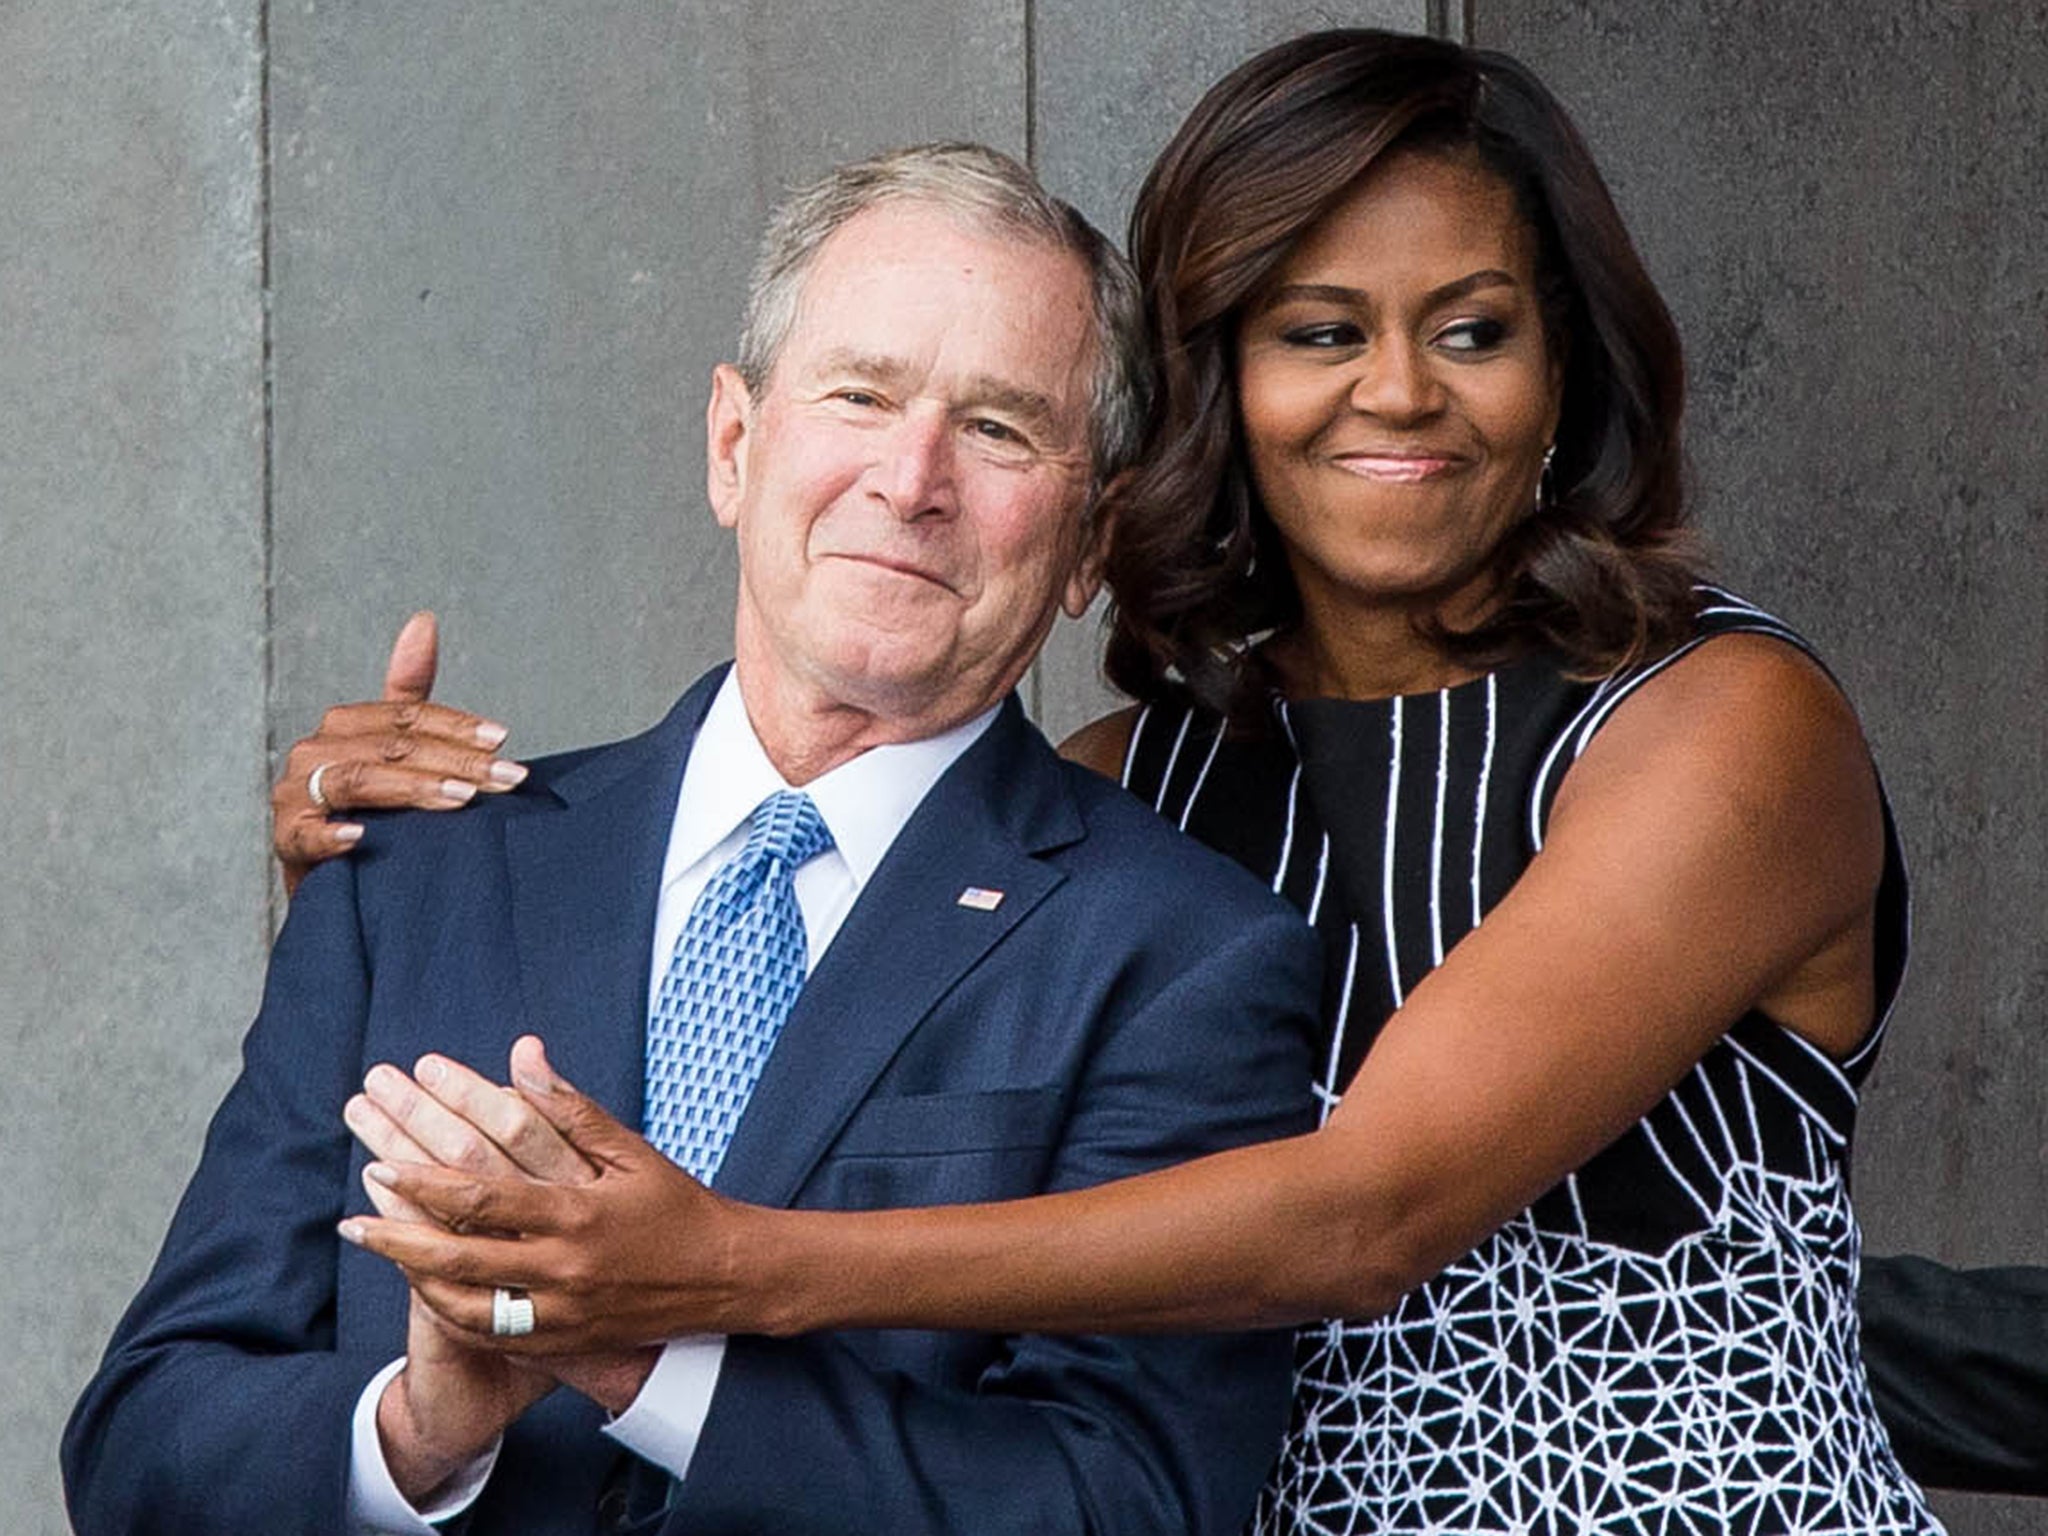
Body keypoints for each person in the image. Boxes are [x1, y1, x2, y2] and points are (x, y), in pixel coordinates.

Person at [62, 144, 1327, 1536]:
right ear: (735, 444)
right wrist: (420, 1429)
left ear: (1091, 543)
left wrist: (632, 1354)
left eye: (1000, 430)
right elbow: (141, 1450)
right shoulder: (417, 874)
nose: (910, 480)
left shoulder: (1184, 957)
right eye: (860, 392)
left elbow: (1129, 1508)